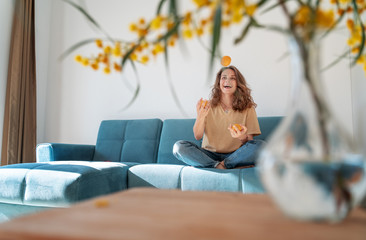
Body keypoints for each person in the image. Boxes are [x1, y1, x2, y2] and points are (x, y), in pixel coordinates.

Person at [173, 65, 264, 169]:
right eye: (223, 77)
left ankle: (223, 165)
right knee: (179, 147)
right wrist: (200, 116)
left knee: (261, 146)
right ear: (219, 82)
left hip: (235, 155)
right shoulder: (207, 106)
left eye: (232, 78)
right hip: (208, 154)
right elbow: (197, 136)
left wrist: (242, 137)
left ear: (238, 83)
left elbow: (250, 143)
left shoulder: (248, 108)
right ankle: (221, 166)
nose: (227, 81)